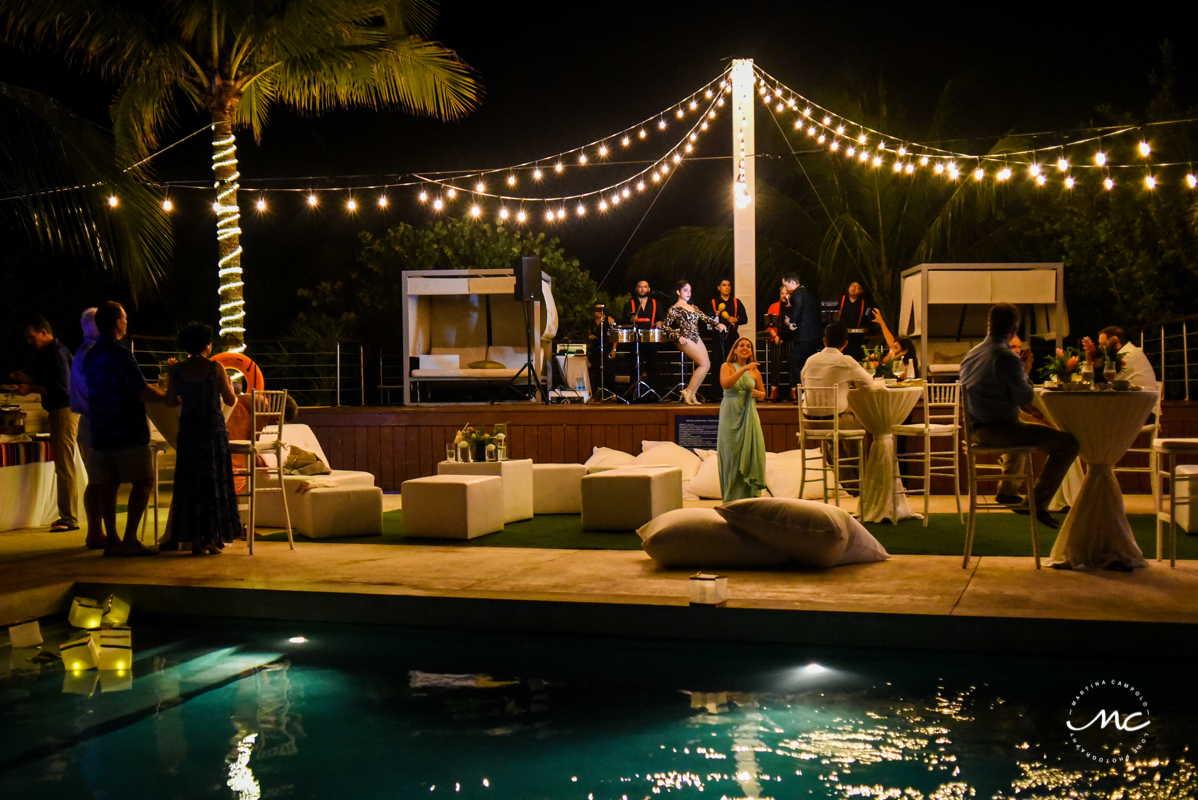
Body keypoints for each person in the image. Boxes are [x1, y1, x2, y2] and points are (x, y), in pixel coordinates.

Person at [959, 303, 1079, 529]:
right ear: (1014, 328)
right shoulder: (1006, 357)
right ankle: (1037, 503)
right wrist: (1024, 372)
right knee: (1068, 444)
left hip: (974, 430)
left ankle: (1007, 490)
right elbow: (1024, 399)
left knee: (1021, 426)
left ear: (989, 324)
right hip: (998, 431)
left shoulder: (971, 355)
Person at [82, 301, 169, 555]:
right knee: (143, 481)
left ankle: (112, 539)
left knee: (108, 483)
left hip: (101, 428)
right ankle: (130, 538)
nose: (127, 322)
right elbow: (142, 390)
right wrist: (168, 395)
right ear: (118, 323)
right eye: (125, 318)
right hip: (126, 429)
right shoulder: (120, 354)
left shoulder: (92, 354)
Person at [164, 322, 242, 555]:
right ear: (207, 346)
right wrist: (228, 384)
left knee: (191, 486)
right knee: (213, 484)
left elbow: (169, 401)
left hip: (189, 433)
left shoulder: (177, 370)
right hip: (212, 431)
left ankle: (195, 540)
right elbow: (229, 400)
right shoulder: (215, 368)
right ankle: (211, 538)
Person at [10, 314, 79, 533]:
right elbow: (52, 381)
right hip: (61, 410)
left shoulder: (56, 353)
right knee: (64, 463)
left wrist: (30, 388)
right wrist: (28, 379)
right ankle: (68, 515)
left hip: (63, 410)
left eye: (32, 337)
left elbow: (61, 388)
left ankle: (69, 517)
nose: (30, 342)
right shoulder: (54, 352)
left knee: (65, 464)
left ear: (43, 332)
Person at [69, 308, 105, 549]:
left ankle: (96, 532)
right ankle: (96, 532)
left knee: (98, 479)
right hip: (96, 420)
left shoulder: (84, 352)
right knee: (100, 479)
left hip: (89, 420)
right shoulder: (92, 354)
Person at [660, 280, 726, 404]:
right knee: (703, 365)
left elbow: (704, 317)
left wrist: (717, 324)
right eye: (685, 290)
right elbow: (665, 326)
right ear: (678, 292)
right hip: (684, 338)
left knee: (707, 365)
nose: (688, 293)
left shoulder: (693, 307)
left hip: (696, 337)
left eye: (690, 291)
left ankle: (692, 394)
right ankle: (688, 391)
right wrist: (677, 336)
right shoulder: (675, 308)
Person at [717, 337, 766, 501]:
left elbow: (763, 393)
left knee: (754, 450)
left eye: (749, 346)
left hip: (749, 413)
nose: (745, 348)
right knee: (732, 454)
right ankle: (731, 498)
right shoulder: (727, 366)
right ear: (735, 350)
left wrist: (760, 395)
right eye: (742, 346)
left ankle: (750, 496)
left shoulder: (755, 371)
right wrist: (744, 369)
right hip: (731, 413)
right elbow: (726, 384)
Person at [1082, 326, 1161, 418]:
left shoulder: (1127, 356)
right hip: (1137, 407)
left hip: (1142, 413)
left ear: (1116, 342)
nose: (1100, 348)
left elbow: (1108, 386)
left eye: (1103, 345)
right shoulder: (1130, 351)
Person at [778, 272, 823, 400]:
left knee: (793, 361)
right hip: (815, 335)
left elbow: (797, 309)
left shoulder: (797, 294)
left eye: (785, 285)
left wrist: (791, 322)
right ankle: (808, 391)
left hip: (804, 336)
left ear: (792, 282)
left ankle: (803, 391)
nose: (785, 289)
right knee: (807, 363)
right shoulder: (807, 293)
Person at [708, 278, 747, 397]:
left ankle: (735, 390)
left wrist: (736, 320)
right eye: (724, 285)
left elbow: (745, 319)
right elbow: (706, 322)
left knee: (734, 364)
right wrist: (714, 316)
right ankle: (716, 393)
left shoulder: (736, 302)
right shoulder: (713, 302)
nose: (727, 287)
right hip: (717, 338)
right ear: (719, 288)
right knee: (717, 364)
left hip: (732, 337)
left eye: (729, 285)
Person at [870, 310, 919, 380]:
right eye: (891, 348)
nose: (891, 350)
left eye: (895, 348)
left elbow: (905, 381)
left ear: (904, 351)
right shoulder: (889, 364)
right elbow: (892, 343)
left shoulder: (906, 367)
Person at [763, 285, 790, 401]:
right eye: (782, 293)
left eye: (786, 293)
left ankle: (794, 390)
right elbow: (768, 325)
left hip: (790, 339)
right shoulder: (774, 307)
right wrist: (776, 336)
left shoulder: (793, 307)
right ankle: (774, 390)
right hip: (776, 339)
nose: (784, 296)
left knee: (792, 365)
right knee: (775, 365)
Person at [836, 281, 874, 361]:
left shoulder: (865, 304)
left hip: (856, 337)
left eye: (857, 287)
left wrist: (866, 328)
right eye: (852, 286)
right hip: (841, 335)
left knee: (855, 357)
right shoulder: (840, 300)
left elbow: (870, 319)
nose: (854, 288)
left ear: (861, 291)